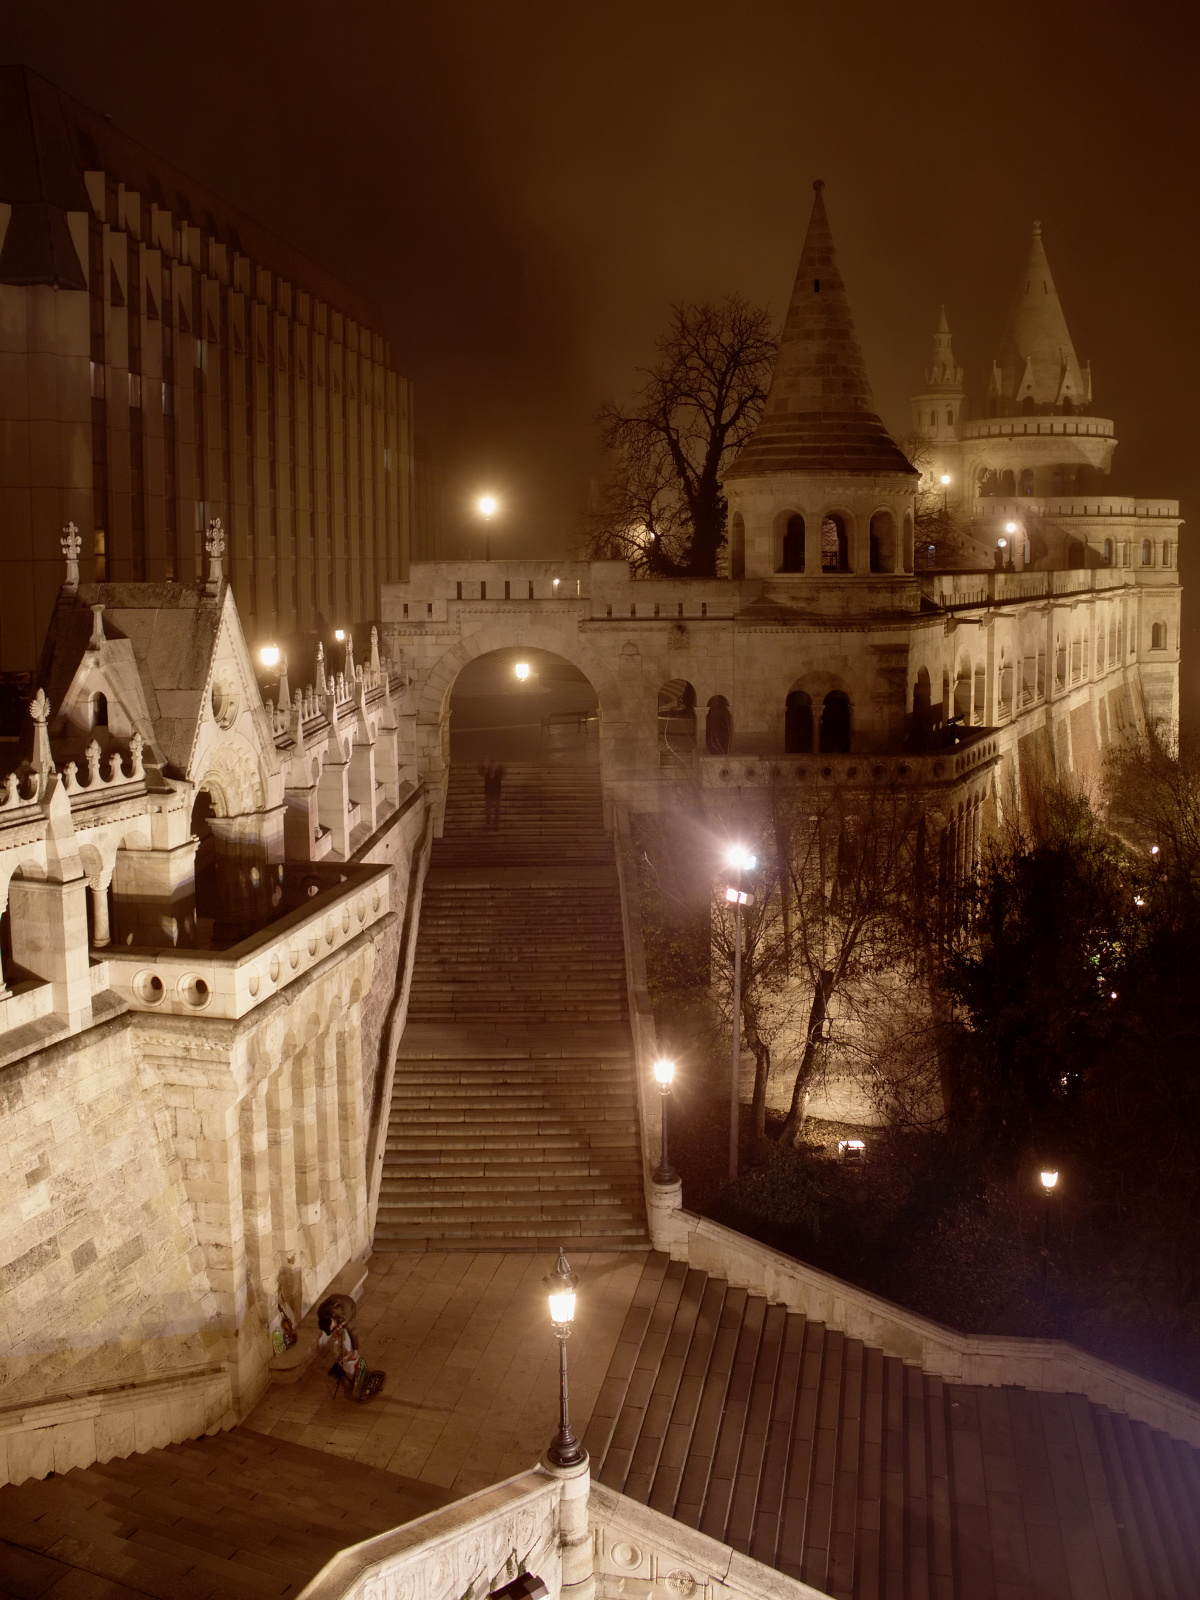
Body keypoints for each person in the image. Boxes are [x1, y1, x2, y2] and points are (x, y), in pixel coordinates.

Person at [317, 1293, 385, 1402]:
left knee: (345, 1341)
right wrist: (335, 1331)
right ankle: (337, 1363)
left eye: (333, 1328)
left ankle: (345, 1365)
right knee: (336, 1342)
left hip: (348, 1306)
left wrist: (356, 1350)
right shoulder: (322, 1313)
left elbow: (353, 1331)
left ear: (332, 1322)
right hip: (336, 1304)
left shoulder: (345, 1317)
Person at [481, 762, 505, 830]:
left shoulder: (498, 774)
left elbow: (503, 772)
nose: (492, 768)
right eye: (491, 767)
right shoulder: (487, 774)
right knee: (488, 808)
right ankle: (488, 821)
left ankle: (496, 824)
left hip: (496, 794)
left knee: (496, 809)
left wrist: (499, 766)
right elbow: (480, 771)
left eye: (493, 766)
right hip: (489, 794)